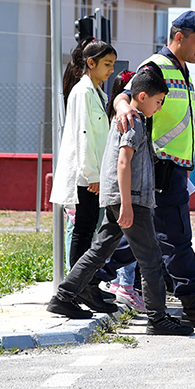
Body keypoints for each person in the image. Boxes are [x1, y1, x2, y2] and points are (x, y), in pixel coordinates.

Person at [48, 66, 193, 336]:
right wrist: (126, 204)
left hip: (122, 198)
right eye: (158, 101)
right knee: (150, 258)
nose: (159, 108)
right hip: (131, 201)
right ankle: (158, 318)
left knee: (99, 251)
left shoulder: (129, 117)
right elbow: (123, 162)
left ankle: (63, 297)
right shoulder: (134, 122)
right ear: (142, 96)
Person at [111, 10, 195, 327]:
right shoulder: (156, 67)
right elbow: (125, 95)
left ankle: (81, 284)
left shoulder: (182, 71)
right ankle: (192, 304)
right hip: (161, 167)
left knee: (140, 238)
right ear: (179, 37)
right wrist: (123, 107)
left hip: (175, 167)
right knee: (176, 240)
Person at [49, 38, 117, 303]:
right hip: (87, 177)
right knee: (84, 231)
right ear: (91, 63)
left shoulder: (97, 91)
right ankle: (76, 290)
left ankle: (84, 286)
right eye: (107, 64)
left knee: (90, 232)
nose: (111, 70)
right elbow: (84, 135)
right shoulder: (83, 92)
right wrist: (93, 175)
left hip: (95, 175)